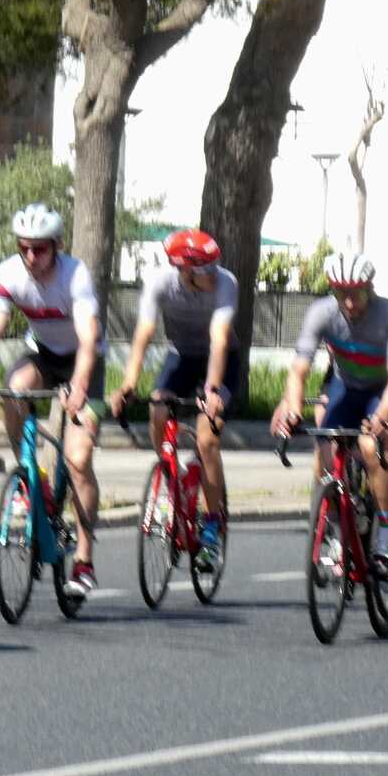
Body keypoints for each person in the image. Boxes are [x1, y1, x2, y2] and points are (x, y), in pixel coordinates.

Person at [0, 204, 105, 597]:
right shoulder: (8, 273)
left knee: (78, 459)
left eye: (40, 249)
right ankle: (30, 476)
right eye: (24, 248)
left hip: (84, 362)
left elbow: (88, 340)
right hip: (44, 355)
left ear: (58, 246)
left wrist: (80, 386)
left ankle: (84, 560)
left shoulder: (75, 275)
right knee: (14, 389)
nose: (32, 257)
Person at [269, 251, 388, 568]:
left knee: (371, 447)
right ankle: (335, 526)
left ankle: (387, 533)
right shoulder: (321, 312)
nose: (349, 302)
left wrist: (381, 417)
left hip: (383, 389)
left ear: (370, 288)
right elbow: (299, 370)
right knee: (324, 447)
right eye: (341, 293)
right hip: (346, 386)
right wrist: (292, 408)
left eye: (356, 293)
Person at [109, 228, 239, 567]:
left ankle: (211, 526)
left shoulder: (226, 283)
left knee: (207, 438)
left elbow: (219, 338)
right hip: (181, 355)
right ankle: (170, 479)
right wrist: (128, 383)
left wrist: (212, 390)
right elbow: (144, 334)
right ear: (184, 271)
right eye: (206, 270)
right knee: (157, 408)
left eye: (214, 267)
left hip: (222, 359)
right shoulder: (160, 283)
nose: (213, 275)